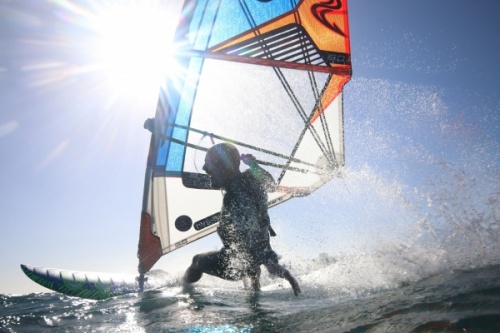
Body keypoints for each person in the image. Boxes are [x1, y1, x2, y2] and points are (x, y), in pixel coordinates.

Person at [182, 143, 301, 296]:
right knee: (252, 271)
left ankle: (183, 289)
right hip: (249, 258)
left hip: (235, 263)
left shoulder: (236, 196)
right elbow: (271, 185)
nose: (205, 169)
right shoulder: (250, 180)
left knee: (197, 261)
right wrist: (253, 165)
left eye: (209, 165)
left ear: (224, 166)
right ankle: (254, 285)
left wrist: (272, 263)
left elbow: (250, 233)